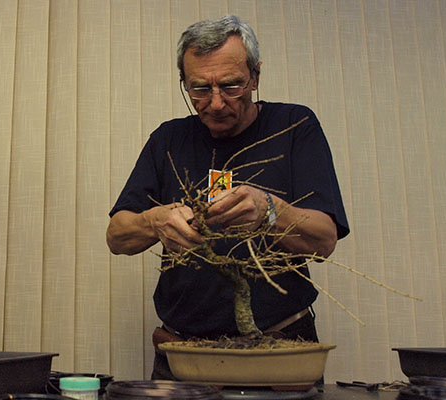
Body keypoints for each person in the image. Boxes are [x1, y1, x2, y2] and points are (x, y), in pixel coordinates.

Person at [106, 15, 349, 380]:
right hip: (183, 355)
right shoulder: (168, 140)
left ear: (255, 76)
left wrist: (270, 211)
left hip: (278, 351)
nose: (216, 103)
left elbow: (324, 239)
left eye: (232, 86)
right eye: (200, 89)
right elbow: (117, 236)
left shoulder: (295, 127)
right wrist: (155, 221)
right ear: (184, 82)